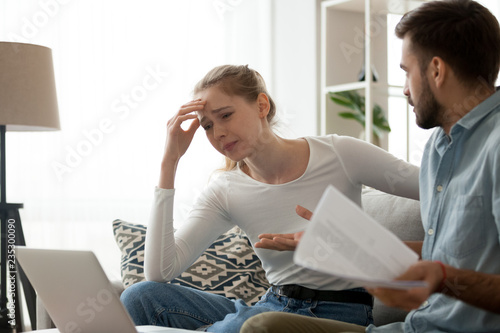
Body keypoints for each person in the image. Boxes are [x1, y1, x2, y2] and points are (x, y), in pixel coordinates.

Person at [240, 0, 500, 332]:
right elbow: (449, 252)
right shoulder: (439, 146)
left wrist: (442, 278)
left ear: (436, 70)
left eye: (406, 72)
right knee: (265, 327)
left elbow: (445, 271)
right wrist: (351, 246)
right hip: (415, 328)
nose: (405, 90)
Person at [119, 64, 419, 332]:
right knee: (139, 297)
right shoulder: (226, 190)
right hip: (271, 304)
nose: (218, 133)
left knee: (237, 326)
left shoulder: (339, 153)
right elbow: (160, 271)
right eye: (207, 126)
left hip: (341, 309)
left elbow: (435, 186)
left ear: (261, 105)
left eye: (225, 115)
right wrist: (169, 161)